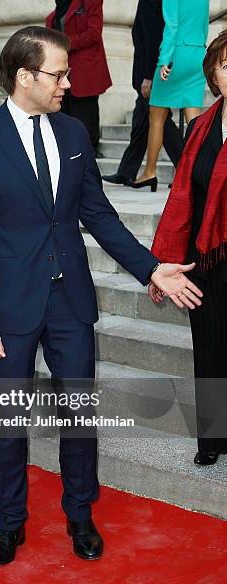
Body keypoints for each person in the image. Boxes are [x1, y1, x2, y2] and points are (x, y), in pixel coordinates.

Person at [0, 26, 203, 566]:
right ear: (25, 76)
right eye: (58, 74)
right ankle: (10, 522)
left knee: (79, 417)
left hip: (70, 303)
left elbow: (100, 217)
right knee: (13, 422)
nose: (68, 82)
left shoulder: (71, 133)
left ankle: (81, 515)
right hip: (8, 308)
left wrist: (152, 269)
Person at [150, 29, 227, 465]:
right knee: (210, 350)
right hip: (205, 260)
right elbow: (182, 197)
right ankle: (214, 439)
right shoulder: (200, 127)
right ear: (214, 75)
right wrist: (169, 261)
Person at [102, 0, 183, 187]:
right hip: (152, 70)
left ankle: (189, 168)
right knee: (141, 119)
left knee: (161, 121)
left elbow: (153, 37)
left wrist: (148, 76)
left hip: (152, 72)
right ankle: (126, 171)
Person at [130, 0, 209, 190]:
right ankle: (199, 172)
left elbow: (171, 27)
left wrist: (165, 59)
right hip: (198, 53)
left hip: (176, 56)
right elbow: (204, 25)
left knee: (156, 115)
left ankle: (149, 172)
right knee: (194, 119)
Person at [46, 0, 112, 157]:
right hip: (62, 69)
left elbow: (94, 33)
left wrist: (64, 43)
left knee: (85, 110)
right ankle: (67, 148)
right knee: (63, 111)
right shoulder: (56, 11)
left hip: (85, 68)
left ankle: (90, 148)